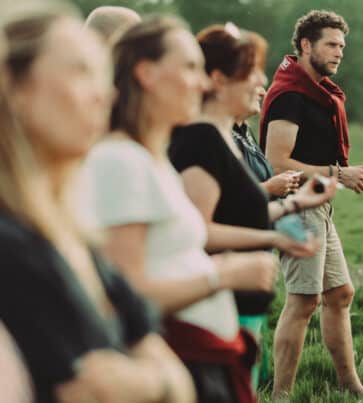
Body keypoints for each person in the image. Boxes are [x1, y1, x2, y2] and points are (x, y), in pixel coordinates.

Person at [0, 4, 194, 403]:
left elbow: (178, 382)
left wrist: (149, 383)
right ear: (14, 87)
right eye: (81, 71)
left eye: (102, 75)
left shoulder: (75, 236)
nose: (106, 94)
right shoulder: (11, 244)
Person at [84, 16, 278, 403]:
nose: (203, 83)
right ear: (146, 73)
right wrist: (223, 275)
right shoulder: (120, 161)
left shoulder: (148, 157)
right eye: (190, 67)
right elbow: (124, 298)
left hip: (206, 362)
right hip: (183, 363)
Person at [168, 23, 337, 398]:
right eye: (252, 72)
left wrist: (296, 203)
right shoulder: (201, 140)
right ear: (218, 80)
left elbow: (236, 212)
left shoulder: (227, 138)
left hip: (240, 303)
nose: (262, 81)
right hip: (216, 304)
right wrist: (274, 239)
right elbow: (198, 231)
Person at [260, 10, 363, 398]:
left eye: (342, 45)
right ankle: (282, 395)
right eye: (331, 44)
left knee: (340, 294)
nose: (339, 52)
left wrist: (335, 177)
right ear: (306, 45)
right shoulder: (291, 96)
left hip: (318, 206)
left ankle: (350, 385)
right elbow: (278, 163)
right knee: (304, 300)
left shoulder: (316, 91)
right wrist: (339, 174)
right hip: (296, 206)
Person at [233, 84, 300, 198]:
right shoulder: (216, 135)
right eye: (256, 85)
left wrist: (283, 183)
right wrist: (268, 188)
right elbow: (224, 197)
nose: (263, 93)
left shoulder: (245, 131)